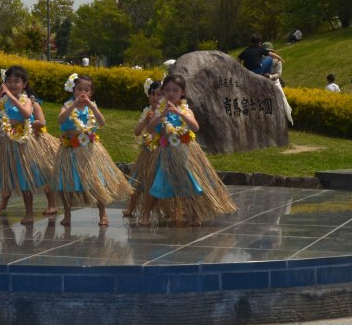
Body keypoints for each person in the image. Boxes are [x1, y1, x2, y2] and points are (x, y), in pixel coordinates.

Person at [137, 75, 237, 227]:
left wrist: (181, 114)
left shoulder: (186, 110)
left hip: (185, 154)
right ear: (163, 92)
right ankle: (146, 215)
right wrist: (161, 115)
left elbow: (195, 127)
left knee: (189, 183)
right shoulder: (160, 111)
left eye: (175, 90)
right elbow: (149, 129)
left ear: (182, 92)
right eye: (167, 90)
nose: (171, 93)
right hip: (167, 154)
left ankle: (195, 215)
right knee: (158, 184)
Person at [54, 73, 132, 227]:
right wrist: (73, 106)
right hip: (70, 150)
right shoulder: (67, 106)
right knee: (67, 184)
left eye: (86, 90)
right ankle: (67, 214)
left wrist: (91, 105)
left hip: (89, 151)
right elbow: (60, 120)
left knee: (96, 183)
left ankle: (102, 213)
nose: (82, 93)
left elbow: (102, 122)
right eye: (79, 89)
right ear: (73, 90)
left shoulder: (91, 108)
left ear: (91, 93)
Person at [0, 65, 46, 225]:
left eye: (16, 81)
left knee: (25, 177)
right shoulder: (2, 101)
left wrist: (12, 98)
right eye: (9, 81)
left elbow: (26, 114)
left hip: (22, 145)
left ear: (24, 84)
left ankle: (29, 213)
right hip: (4, 144)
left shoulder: (27, 100)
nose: (12, 84)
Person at [122, 78, 162, 218]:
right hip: (148, 151)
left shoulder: (167, 111)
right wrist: (145, 120)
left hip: (162, 152)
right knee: (137, 181)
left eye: (159, 94)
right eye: (152, 94)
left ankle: (171, 209)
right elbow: (137, 132)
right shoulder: (147, 111)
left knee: (159, 181)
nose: (155, 98)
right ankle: (131, 207)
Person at [263, 41, 293, 125]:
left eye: (269, 52)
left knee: (282, 100)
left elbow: (279, 73)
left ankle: (284, 118)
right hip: (264, 83)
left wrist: (271, 77)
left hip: (275, 82)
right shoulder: (261, 60)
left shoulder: (277, 60)